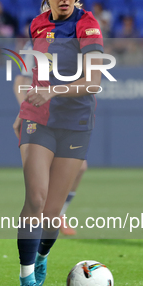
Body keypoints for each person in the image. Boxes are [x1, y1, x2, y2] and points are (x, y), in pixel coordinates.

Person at [12, 0, 103, 286]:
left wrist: (53, 89)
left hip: (75, 122)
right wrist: (25, 106)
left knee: (51, 212)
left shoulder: (88, 26)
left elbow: (92, 82)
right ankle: (26, 282)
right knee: (35, 199)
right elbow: (33, 72)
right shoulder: (36, 25)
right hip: (39, 119)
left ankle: (40, 256)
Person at [13, 39, 85, 237]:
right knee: (38, 186)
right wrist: (26, 111)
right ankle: (34, 246)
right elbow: (21, 81)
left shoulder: (77, 41)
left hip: (66, 116)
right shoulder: (34, 45)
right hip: (41, 118)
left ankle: (57, 214)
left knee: (80, 167)